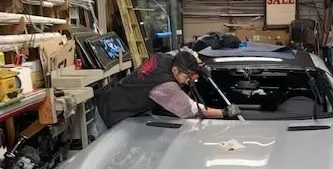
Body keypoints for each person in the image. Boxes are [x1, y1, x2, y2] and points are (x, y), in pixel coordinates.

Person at [93, 50, 240, 135]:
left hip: (115, 100)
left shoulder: (163, 57)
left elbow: (184, 53)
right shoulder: (165, 86)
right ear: (175, 70)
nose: (187, 82)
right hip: (109, 114)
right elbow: (193, 110)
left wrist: (198, 67)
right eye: (186, 77)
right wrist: (224, 113)